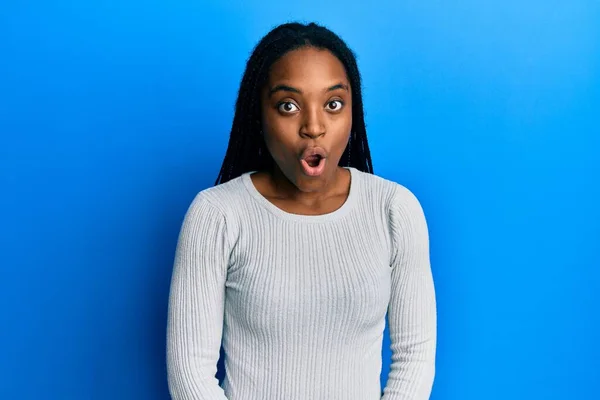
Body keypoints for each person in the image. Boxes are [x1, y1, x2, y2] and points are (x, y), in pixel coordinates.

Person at [166, 22, 437, 400]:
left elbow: (415, 357)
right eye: (288, 106)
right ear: (259, 116)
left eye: (333, 104)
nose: (314, 127)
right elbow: (190, 373)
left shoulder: (394, 210)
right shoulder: (217, 215)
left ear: (352, 112)